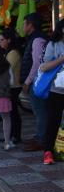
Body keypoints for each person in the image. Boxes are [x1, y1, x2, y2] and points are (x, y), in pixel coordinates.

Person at [20, 12, 48, 151]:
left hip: (37, 82)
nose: (22, 26)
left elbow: (37, 63)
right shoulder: (34, 39)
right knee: (39, 111)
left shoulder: (37, 40)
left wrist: (28, 81)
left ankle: (42, 139)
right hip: (37, 81)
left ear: (30, 25)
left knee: (40, 111)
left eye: (24, 24)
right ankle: (39, 136)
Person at [39, 18, 64, 165]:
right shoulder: (53, 45)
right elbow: (43, 67)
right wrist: (61, 59)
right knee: (53, 121)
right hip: (56, 90)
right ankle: (48, 152)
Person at [0, 28, 23, 143]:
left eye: (2, 39)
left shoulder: (13, 53)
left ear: (9, 40)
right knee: (10, 112)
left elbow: (6, 69)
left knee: (13, 112)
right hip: (10, 86)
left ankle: (15, 136)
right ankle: (10, 135)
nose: (0, 42)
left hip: (14, 86)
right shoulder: (7, 52)